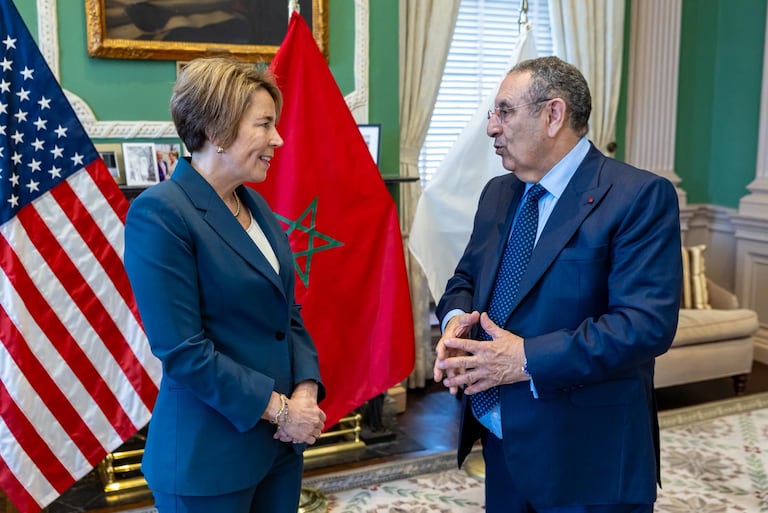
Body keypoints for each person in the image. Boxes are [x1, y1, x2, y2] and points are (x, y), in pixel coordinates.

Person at [433, 56, 682, 513]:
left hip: (589, 456)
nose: (491, 127)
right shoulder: (498, 193)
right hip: (501, 437)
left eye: (504, 112)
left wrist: (525, 359)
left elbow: (644, 326)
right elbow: (465, 279)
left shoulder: (638, 196)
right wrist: (455, 324)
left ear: (553, 115)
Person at [124, 57, 327, 513]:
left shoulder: (256, 206)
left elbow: (286, 316)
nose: (278, 139)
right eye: (264, 125)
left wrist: (306, 392)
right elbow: (183, 351)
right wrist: (281, 410)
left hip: (277, 449)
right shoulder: (160, 213)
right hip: (207, 460)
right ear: (217, 131)